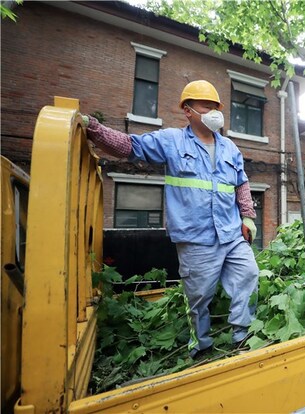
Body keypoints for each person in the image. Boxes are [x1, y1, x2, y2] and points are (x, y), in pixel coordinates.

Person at [83, 80, 259, 360]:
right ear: (188, 111)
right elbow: (129, 146)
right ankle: (200, 345)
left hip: (230, 233)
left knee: (248, 274)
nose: (214, 112)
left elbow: (241, 182)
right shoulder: (171, 141)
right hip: (196, 237)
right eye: (206, 106)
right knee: (199, 297)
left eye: (216, 106)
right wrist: (94, 129)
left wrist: (248, 216)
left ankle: (242, 335)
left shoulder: (230, 148)